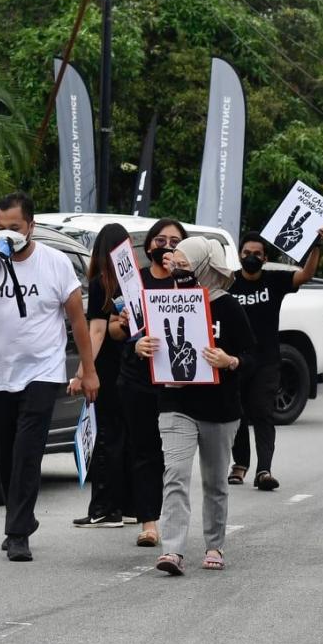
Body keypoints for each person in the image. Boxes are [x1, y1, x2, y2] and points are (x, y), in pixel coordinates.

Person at [0, 192, 98, 562]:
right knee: (5, 455)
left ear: (31, 226)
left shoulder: (54, 263)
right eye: (1, 228)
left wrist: (88, 370)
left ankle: (17, 532)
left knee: (27, 452)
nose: (8, 234)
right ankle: (20, 516)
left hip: (42, 371)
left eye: (15, 228)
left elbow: (77, 320)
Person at [136, 236, 255, 575]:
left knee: (215, 482)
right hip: (175, 403)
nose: (178, 269)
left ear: (204, 266)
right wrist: (140, 346)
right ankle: (172, 550)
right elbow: (148, 341)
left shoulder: (228, 306)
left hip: (220, 408)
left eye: (186, 265)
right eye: (177, 264)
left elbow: (252, 356)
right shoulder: (164, 301)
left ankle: (214, 545)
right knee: (174, 474)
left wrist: (230, 360)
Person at [228, 228, 323, 490]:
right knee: (236, 414)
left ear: (265, 257)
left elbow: (306, 274)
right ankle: (240, 465)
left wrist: (316, 245)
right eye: (246, 253)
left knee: (262, 412)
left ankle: (264, 471)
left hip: (267, 360)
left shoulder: (274, 281)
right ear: (239, 256)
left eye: (256, 254)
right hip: (235, 361)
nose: (251, 257)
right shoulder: (228, 282)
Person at [113, 219, 189, 548]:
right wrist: (133, 340)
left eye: (175, 241)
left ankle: (172, 519)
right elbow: (116, 329)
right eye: (160, 240)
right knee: (144, 450)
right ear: (149, 247)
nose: (167, 246)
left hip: (176, 383)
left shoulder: (189, 283)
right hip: (137, 379)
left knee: (171, 457)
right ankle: (149, 522)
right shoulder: (134, 284)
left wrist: (180, 279)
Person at [68, 223, 134, 529]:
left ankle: (105, 508)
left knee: (106, 438)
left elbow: (95, 332)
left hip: (107, 370)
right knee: (128, 437)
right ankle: (132, 506)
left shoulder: (100, 284)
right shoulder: (136, 284)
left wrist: (82, 372)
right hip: (134, 368)